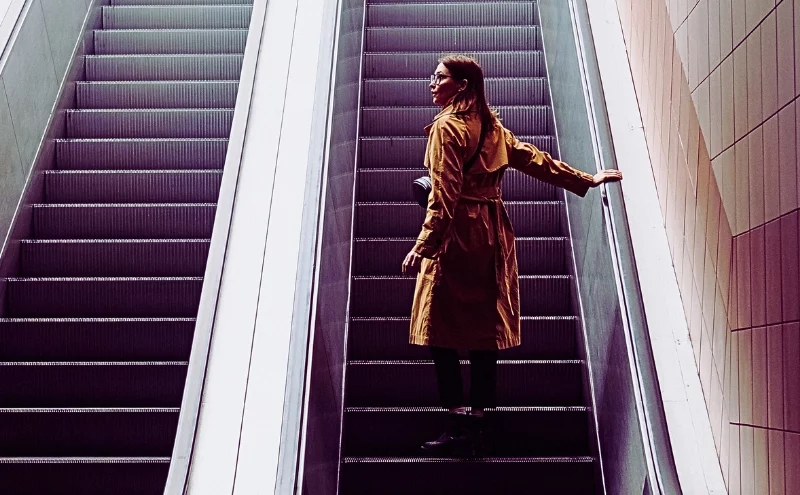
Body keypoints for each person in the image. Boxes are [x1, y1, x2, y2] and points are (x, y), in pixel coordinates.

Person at [401, 55, 623, 456]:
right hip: (491, 233)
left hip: (456, 236)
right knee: (484, 331)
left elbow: (444, 195)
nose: (431, 83)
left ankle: (457, 424)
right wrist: (585, 179)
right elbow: (532, 158)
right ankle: (479, 423)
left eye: (440, 77)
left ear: (462, 85)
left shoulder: (447, 128)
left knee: (438, 330)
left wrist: (424, 244)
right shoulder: (490, 126)